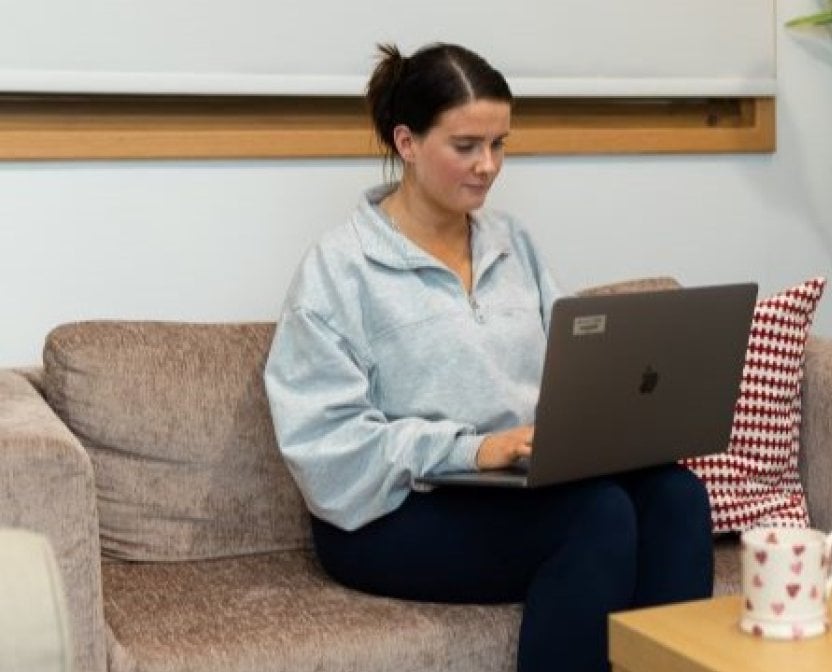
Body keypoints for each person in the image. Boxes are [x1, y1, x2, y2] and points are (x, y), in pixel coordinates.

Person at [262, 43, 713, 672]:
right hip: (386, 512)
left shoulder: (512, 243)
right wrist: (473, 449)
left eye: (500, 144)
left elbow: (572, 367)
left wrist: (605, 430)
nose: (488, 165)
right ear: (407, 142)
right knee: (597, 518)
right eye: (467, 145)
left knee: (677, 496)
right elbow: (327, 448)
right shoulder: (340, 269)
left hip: (512, 487)